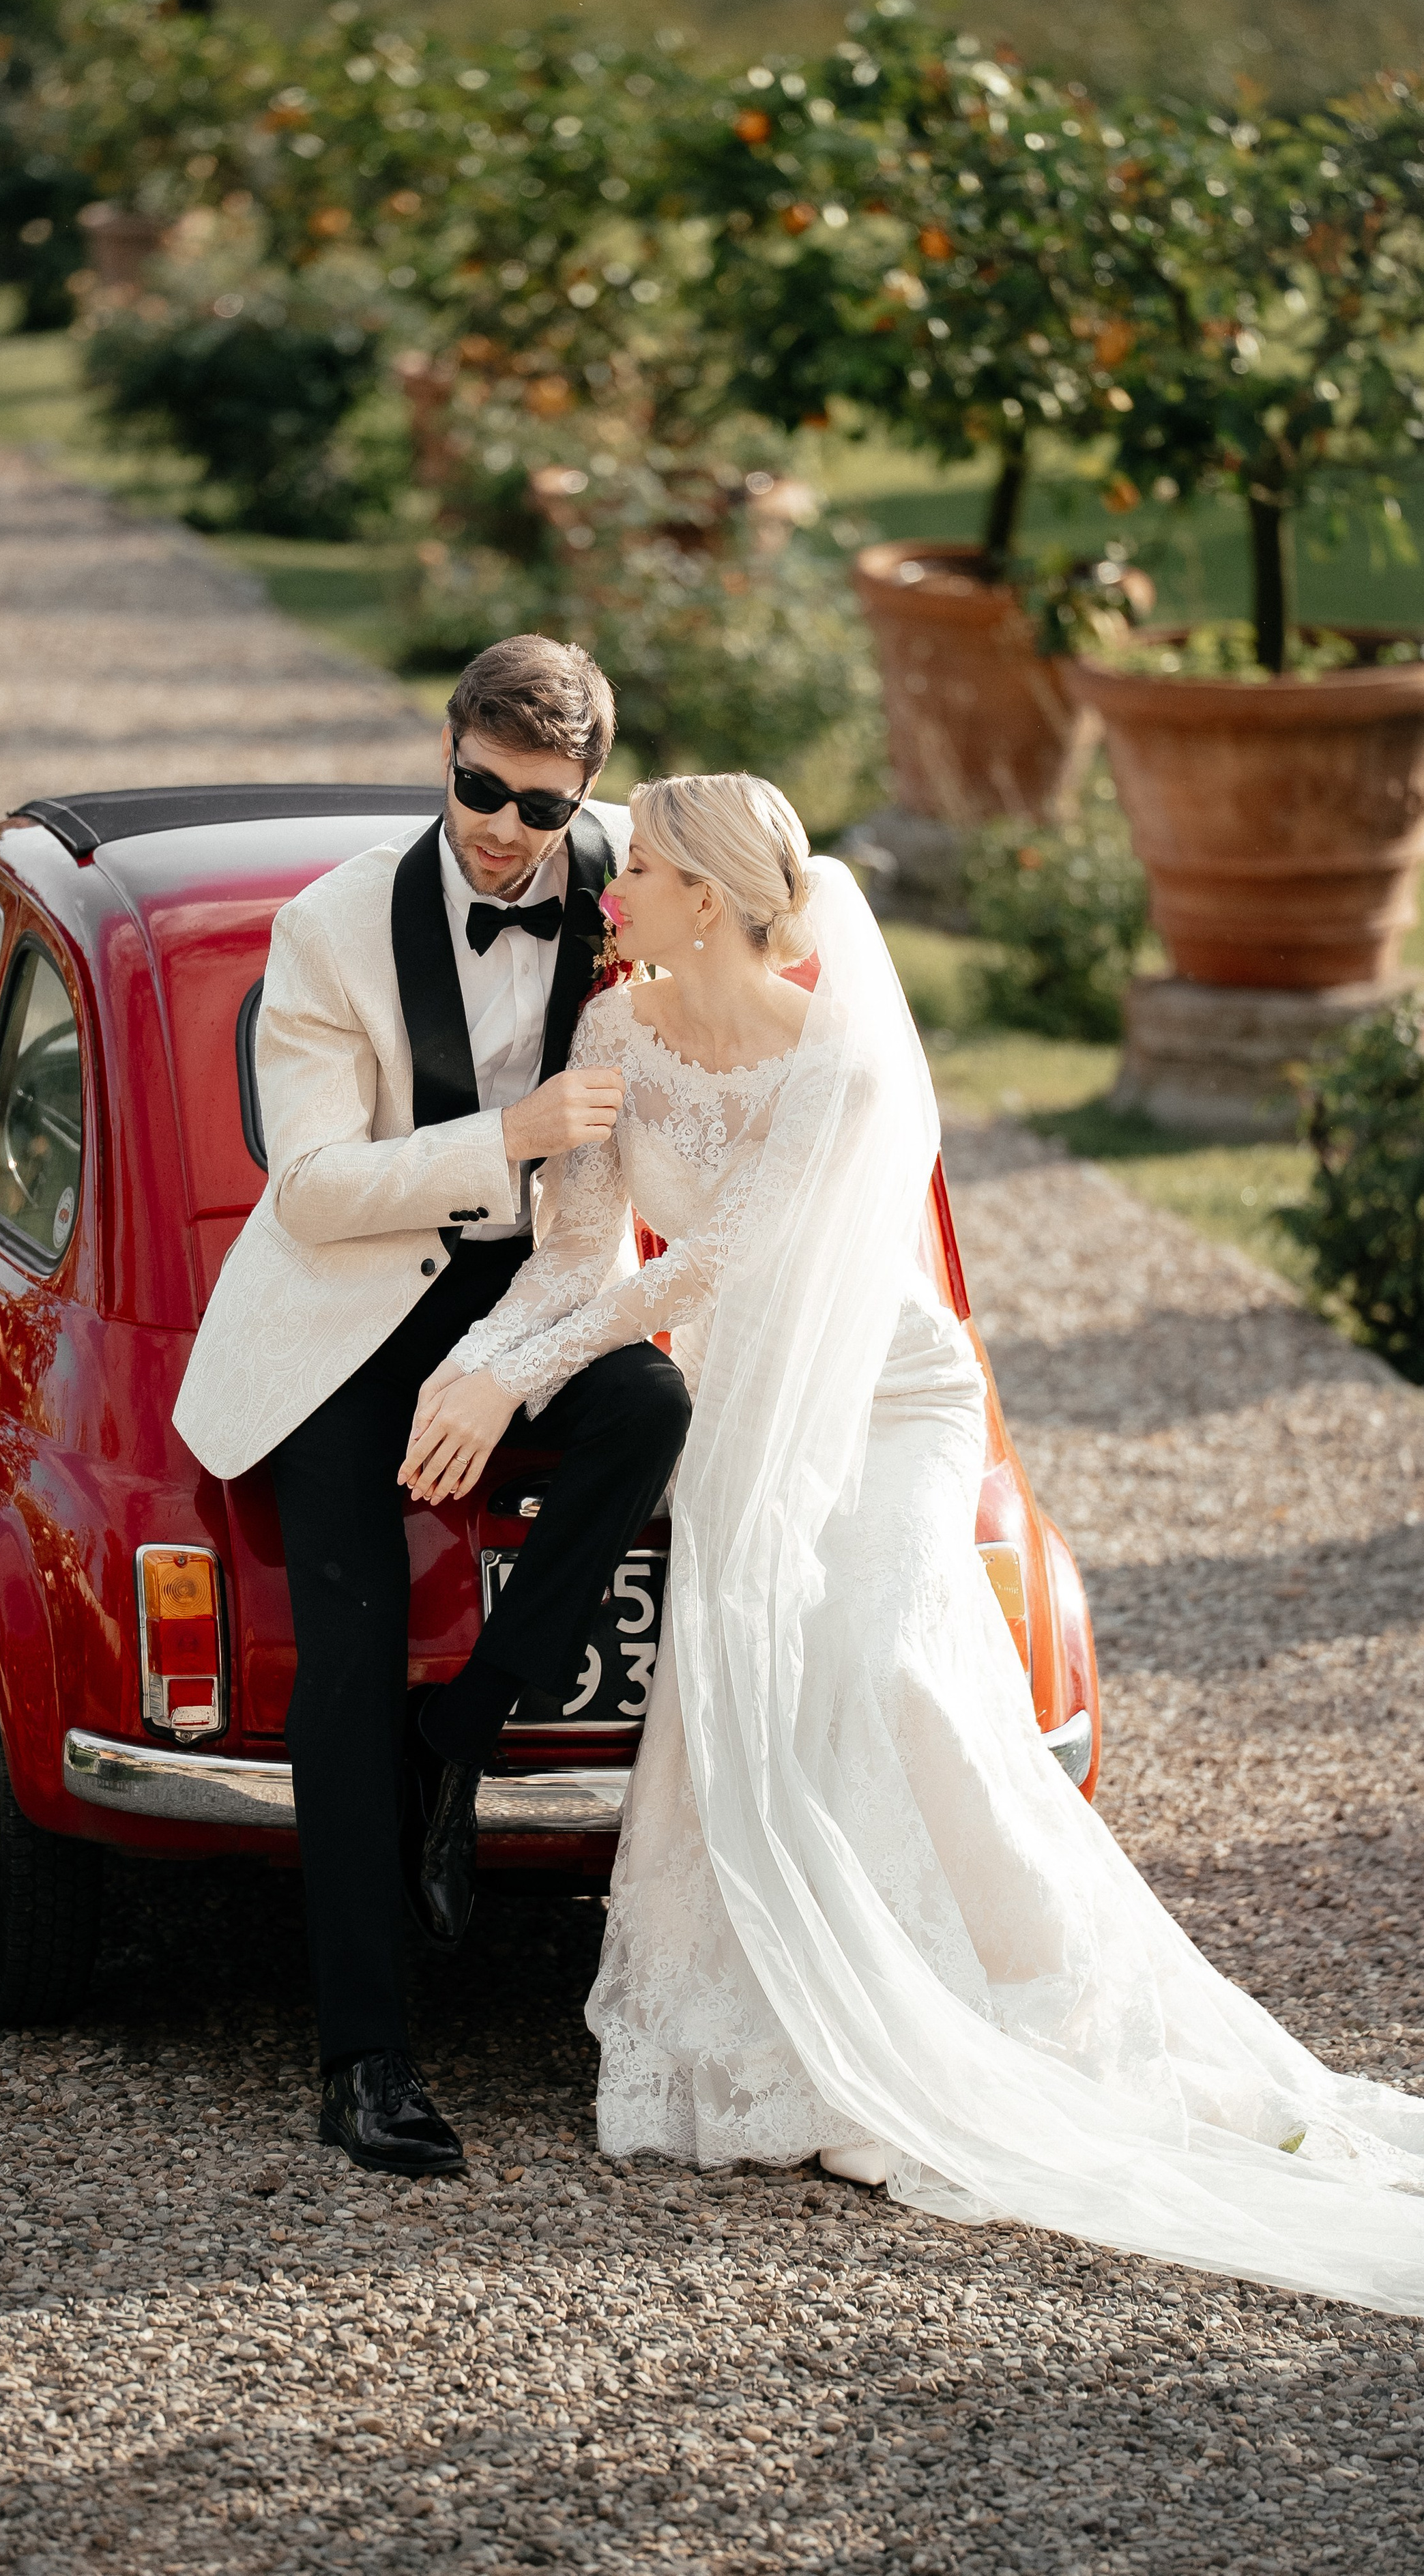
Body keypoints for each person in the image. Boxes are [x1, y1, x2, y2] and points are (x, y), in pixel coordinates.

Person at [401, 769, 1424, 2313]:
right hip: (748, 1400)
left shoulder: (844, 1060)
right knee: (760, 1677)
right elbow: (579, 1255)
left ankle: (1026, 2006)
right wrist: (478, 1366)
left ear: (709, 900)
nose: (613, 890)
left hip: (890, 1398)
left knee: (885, 1658)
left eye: (643, 867)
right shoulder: (611, 1033)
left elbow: (708, 1265)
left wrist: (524, 1371)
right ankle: (797, 2039)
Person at [171, 637, 691, 2180]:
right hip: (348, 1309)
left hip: (532, 1293)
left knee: (648, 1408)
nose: (504, 830)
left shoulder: (623, 882)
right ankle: (366, 2061)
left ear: (583, 798)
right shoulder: (329, 926)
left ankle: (461, 1734)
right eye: (479, 789)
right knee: (348, 1645)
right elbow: (312, 1187)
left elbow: (772, 901)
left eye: (541, 807)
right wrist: (510, 1134)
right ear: (447, 753)